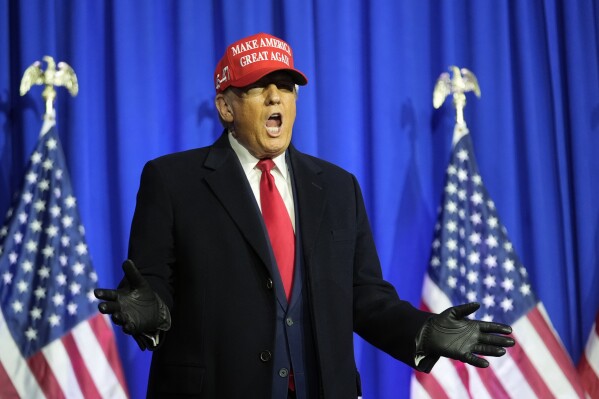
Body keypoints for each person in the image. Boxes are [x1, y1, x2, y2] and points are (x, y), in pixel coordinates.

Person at [95, 32, 515, 399]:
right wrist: (151, 312)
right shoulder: (172, 180)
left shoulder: (336, 186)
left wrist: (422, 332)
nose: (276, 96)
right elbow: (150, 283)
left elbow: (365, 297)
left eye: (286, 86)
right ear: (226, 107)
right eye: (259, 86)